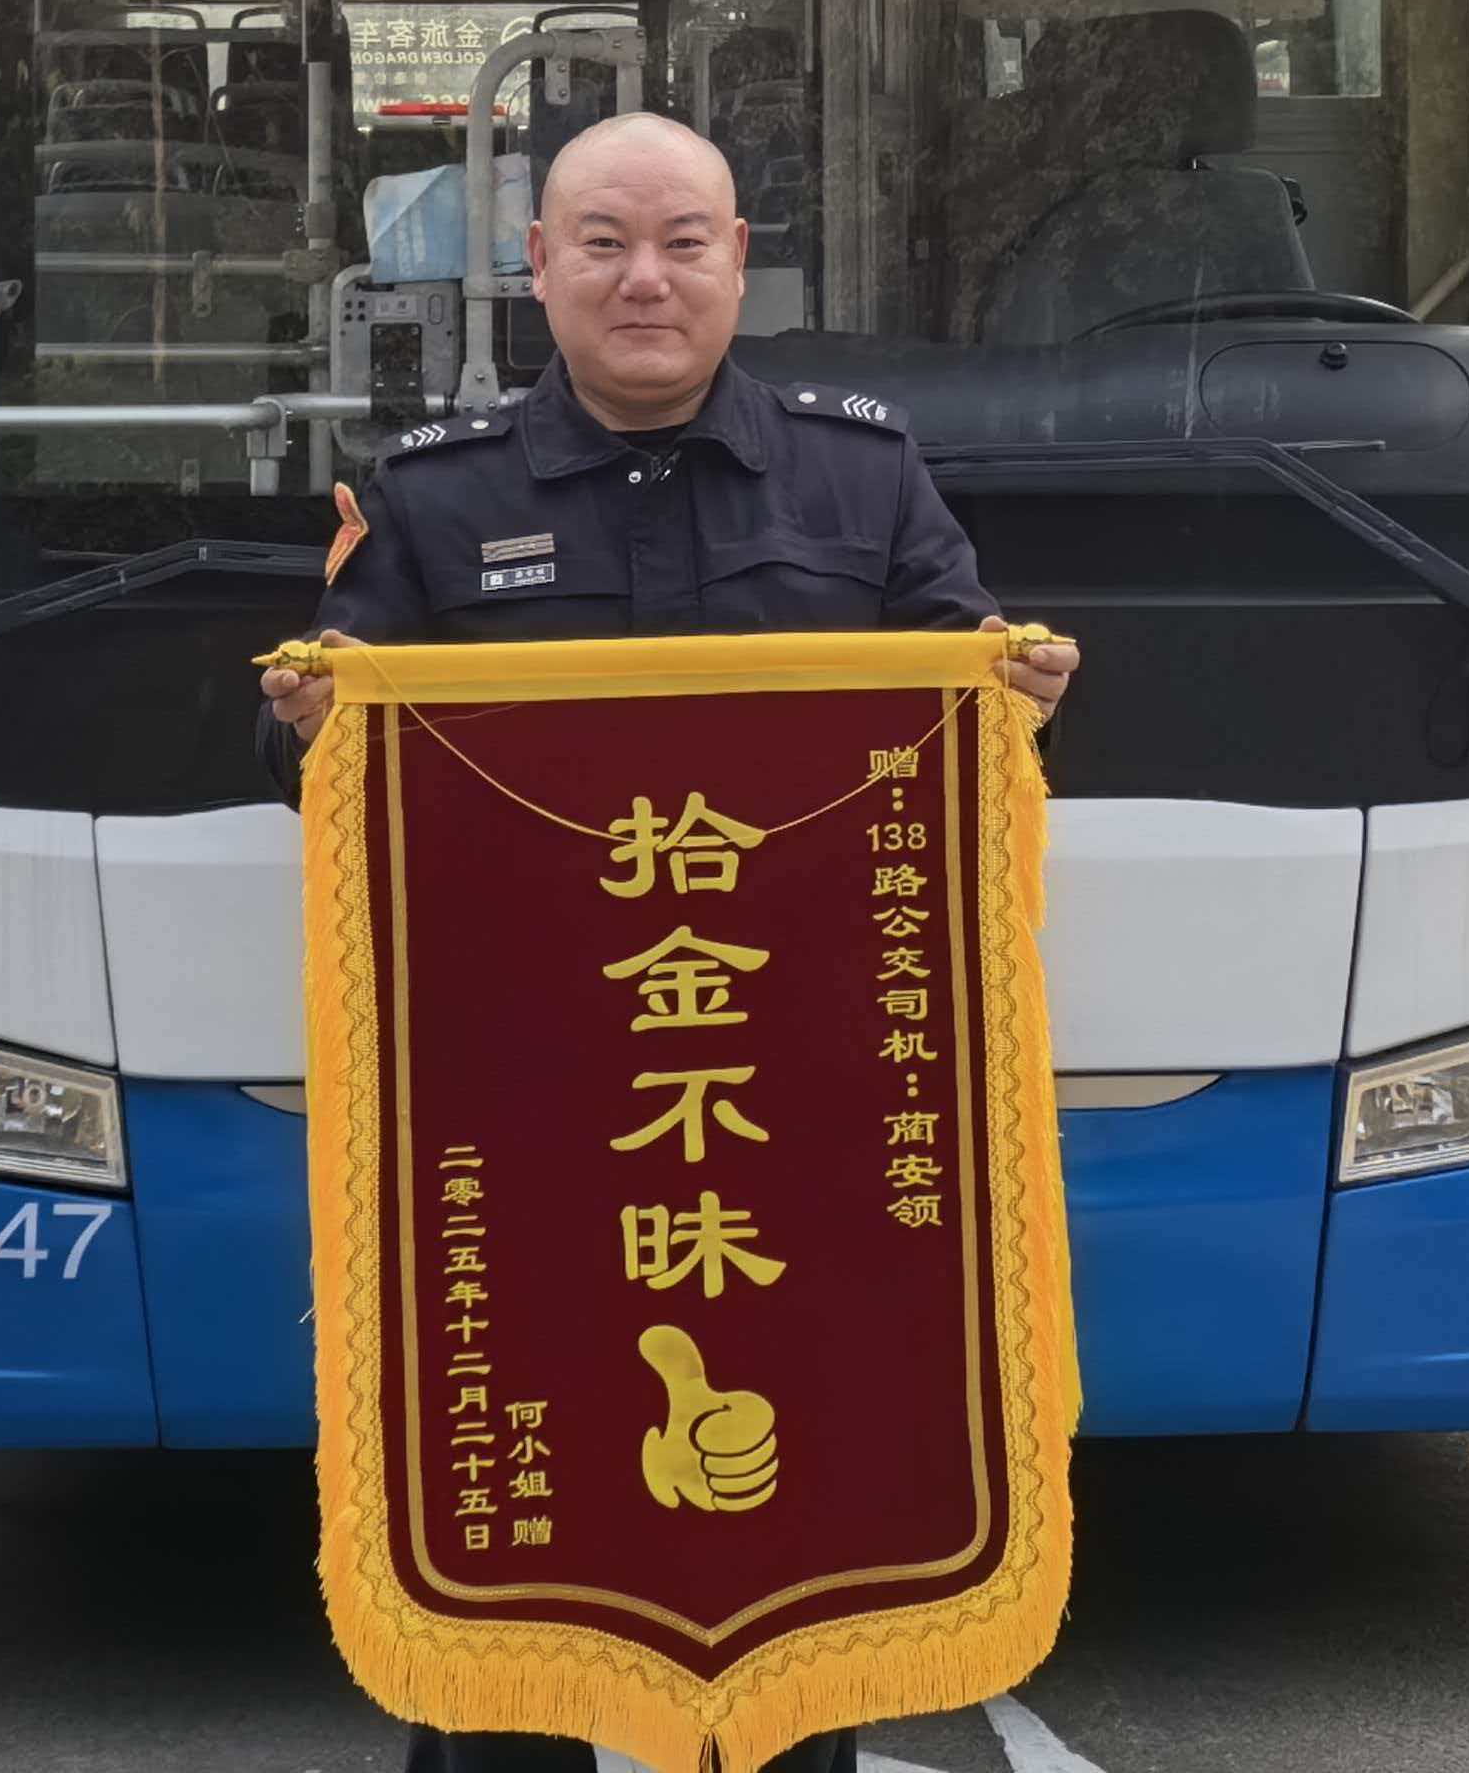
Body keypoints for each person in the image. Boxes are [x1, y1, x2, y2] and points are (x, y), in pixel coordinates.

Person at [264, 110, 1077, 1773]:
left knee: (794, 1548)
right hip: (527, 1124)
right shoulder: (433, 500)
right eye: (605, 244)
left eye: (684, 243)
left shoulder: (863, 477)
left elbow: (961, 710)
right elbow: (325, 770)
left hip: (789, 1128)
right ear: (538, 266)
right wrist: (306, 725)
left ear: (738, 265)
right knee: (513, 1546)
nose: (647, 279)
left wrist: (1020, 698)